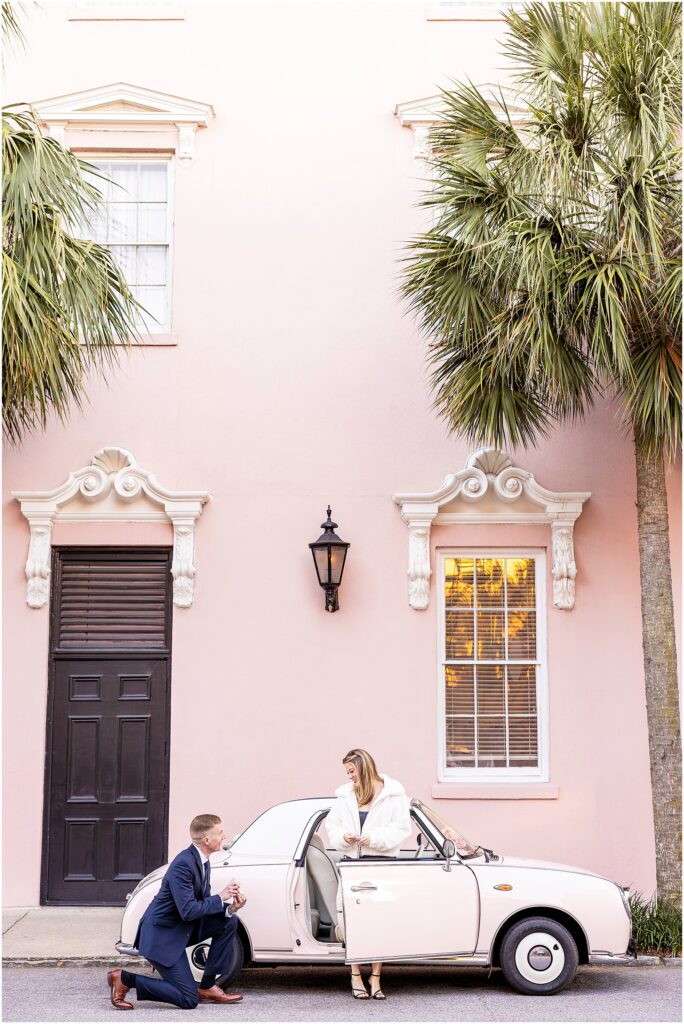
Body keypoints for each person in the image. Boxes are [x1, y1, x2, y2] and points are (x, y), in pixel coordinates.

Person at [106, 814, 247, 1010]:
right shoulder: (184, 864)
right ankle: (124, 978)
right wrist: (221, 897)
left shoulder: (202, 861)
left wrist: (230, 908)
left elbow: (200, 903)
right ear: (207, 840)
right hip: (162, 937)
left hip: (179, 929)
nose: (225, 836)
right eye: (220, 833)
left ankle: (207, 986)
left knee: (228, 921)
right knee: (188, 999)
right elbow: (189, 910)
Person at [326, 748, 411, 1000]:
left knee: (379, 922)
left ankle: (375, 977)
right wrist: (346, 837)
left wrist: (372, 838)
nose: (349, 776)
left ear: (364, 768)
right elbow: (333, 827)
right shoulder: (344, 796)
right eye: (347, 772)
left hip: (382, 864)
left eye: (352, 771)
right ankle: (354, 975)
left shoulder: (394, 794)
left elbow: (401, 829)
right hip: (353, 864)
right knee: (352, 921)